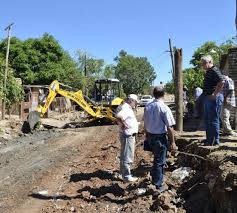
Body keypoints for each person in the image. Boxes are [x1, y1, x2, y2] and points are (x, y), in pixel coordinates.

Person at [144, 86, 178, 192]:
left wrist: (146, 135)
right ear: (164, 94)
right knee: (160, 161)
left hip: (150, 136)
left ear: (154, 94)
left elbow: (145, 123)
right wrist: (173, 142)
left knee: (156, 159)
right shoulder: (164, 107)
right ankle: (158, 185)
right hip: (159, 137)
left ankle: (155, 179)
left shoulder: (148, 106)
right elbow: (170, 127)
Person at [201, 55, 224, 146]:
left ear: (210, 62)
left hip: (213, 98)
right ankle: (209, 139)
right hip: (208, 98)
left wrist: (215, 94)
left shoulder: (214, 70)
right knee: (208, 119)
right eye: (202, 63)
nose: (202, 65)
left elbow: (221, 81)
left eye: (204, 63)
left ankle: (215, 140)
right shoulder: (209, 71)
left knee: (213, 119)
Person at [116, 94, 139, 182]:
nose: (135, 104)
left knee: (124, 155)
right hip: (128, 135)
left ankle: (122, 174)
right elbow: (118, 117)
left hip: (126, 134)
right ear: (131, 101)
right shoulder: (126, 108)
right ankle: (126, 176)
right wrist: (123, 125)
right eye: (135, 102)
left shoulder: (125, 107)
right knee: (127, 156)